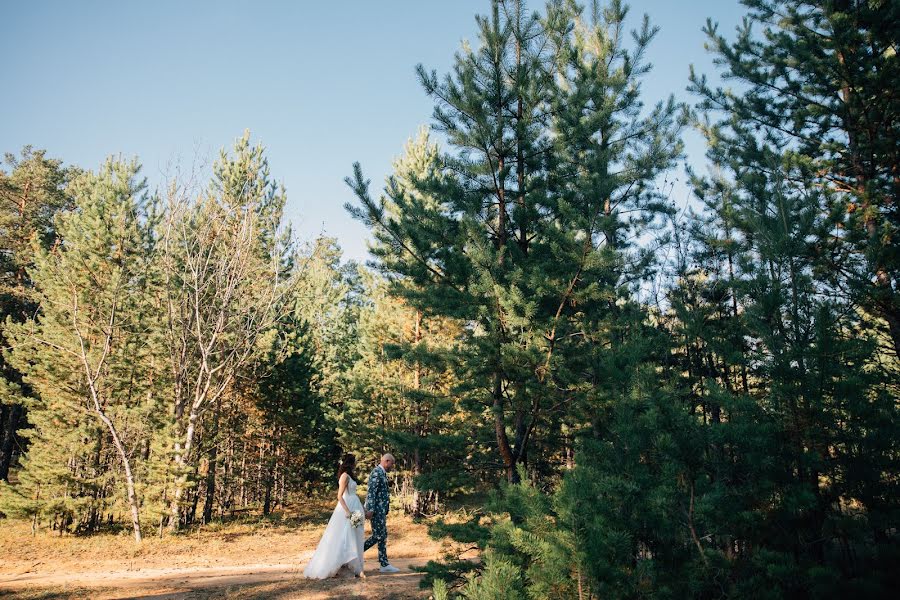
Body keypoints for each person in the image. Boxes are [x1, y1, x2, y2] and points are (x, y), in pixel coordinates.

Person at [303, 453, 366, 579]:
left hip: (356, 507)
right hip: (348, 508)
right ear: (350, 462)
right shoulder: (344, 476)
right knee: (346, 536)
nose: (355, 464)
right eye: (354, 462)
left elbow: (354, 494)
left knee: (357, 534)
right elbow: (339, 496)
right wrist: (347, 511)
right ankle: (345, 566)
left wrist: (363, 509)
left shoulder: (350, 476)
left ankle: (355, 567)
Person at [364, 453, 400, 573]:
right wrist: (370, 509)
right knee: (378, 536)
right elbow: (371, 492)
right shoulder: (376, 472)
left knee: (382, 535)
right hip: (375, 511)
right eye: (391, 464)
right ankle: (356, 553)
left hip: (381, 511)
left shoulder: (382, 473)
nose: (392, 466)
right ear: (387, 461)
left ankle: (384, 563)